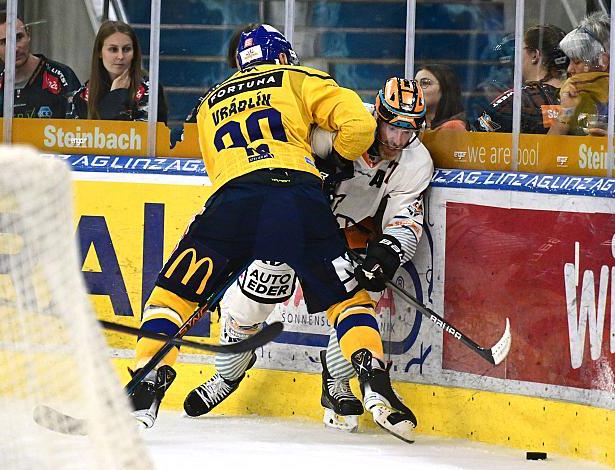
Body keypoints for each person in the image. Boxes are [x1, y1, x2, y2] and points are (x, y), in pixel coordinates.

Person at [130, 24, 418, 443]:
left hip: (236, 202)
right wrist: (334, 160)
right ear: (283, 55)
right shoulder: (298, 78)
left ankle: (151, 372)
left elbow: (218, 172)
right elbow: (358, 124)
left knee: (173, 296)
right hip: (300, 199)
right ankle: (372, 373)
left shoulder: (210, 101)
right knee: (347, 299)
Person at [183, 77, 432, 435]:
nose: (396, 140)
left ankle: (336, 381)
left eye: (407, 130)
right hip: (292, 219)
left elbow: (405, 218)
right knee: (263, 283)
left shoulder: (416, 161)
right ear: (376, 114)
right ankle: (229, 373)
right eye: (392, 126)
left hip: (345, 233)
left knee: (361, 294)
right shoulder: (340, 123)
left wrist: (389, 251)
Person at [0, 10, 81, 118]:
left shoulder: (62, 77)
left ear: (28, 34)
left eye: (19, 37)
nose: (15, 48)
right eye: (4, 42)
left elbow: (82, 128)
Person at [549, 12, 615, 137]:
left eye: (577, 62)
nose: (569, 69)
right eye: (569, 61)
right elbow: (548, 151)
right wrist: (566, 111)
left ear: (603, 61)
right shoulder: (571, 99)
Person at [66, 20, 167, 122]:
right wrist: (115, 97)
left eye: (126, 49)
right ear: (99, 53)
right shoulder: (81, 96)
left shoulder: (150, 90)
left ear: (134, 53)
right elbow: (75, 136)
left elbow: (141, 135)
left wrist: (117, 96)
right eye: (113, 49)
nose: (120, 56)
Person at [473, 25, 567, 134]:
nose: (516, 57)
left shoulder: (516, 100)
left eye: (519, 50)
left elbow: (474, 140)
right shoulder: (576, 97)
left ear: (535, 55)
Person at [414, 63, 467, 131]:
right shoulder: (413, 125)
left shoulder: (453, 127)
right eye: (415, 83)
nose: (416, 88)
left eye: (425, 83)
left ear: (445, 88)